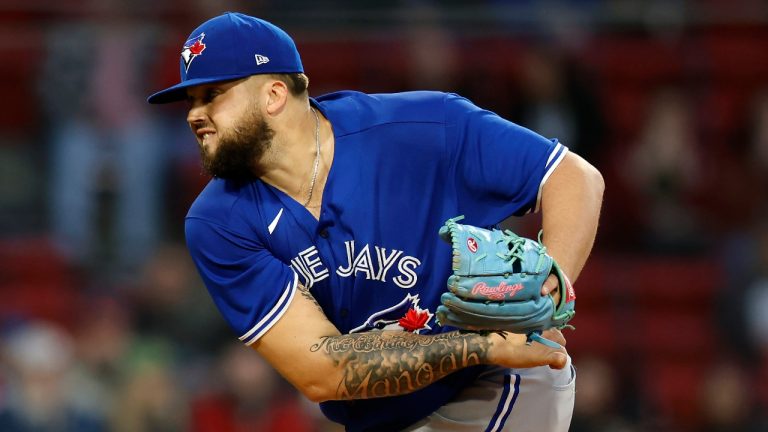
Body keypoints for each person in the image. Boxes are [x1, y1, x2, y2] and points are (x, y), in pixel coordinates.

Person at [147, 12, 604, 432]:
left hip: (494, 384)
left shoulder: (420, 127)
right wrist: (482, 343)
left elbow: (574, 177)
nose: (194, 114)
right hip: (389, 410)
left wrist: (551, 282)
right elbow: (322, 371)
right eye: (190, 99)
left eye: (212, 95)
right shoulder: (217, 221)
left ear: (274, 94)